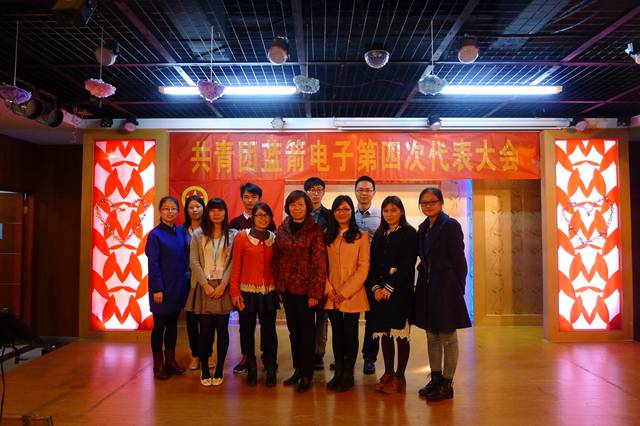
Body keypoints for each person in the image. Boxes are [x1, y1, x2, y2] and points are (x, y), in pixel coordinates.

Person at [414, 187, 471, 401]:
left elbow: (459, 261)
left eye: (433, 202)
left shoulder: (450, 225)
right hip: (427, 287)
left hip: (446, 287)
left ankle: (447, 383)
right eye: (424, 203)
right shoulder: (423, 227)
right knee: (432, 336)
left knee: (447, 336)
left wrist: (458, 288)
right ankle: (435, 378)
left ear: (441, 203)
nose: (428, 206)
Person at [272, 190, 327, 393]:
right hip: (287, 289)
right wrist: (279, 284)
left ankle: (307, 374)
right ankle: (297, 369)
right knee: (294, 331)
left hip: (306, 291)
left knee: (307, 333)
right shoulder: (283, 229)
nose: (297, 208)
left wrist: (315, 293)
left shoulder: (315, 231)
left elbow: (320, 264)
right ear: (288, 207)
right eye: (293, 204)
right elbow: (276, 258)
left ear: (307, 207)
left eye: (301, 204)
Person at [366, 196, 417, 394]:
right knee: (385, 333)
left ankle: (400, 376)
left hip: (400, 292)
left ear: (401, 211)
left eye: (394, 210)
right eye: (386, 210)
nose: (389, 214)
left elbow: (407, 265)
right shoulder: (380, 234)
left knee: (400, 334)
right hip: (379, 294)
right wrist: (375, 288)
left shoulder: (409, 233)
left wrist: (389, 288)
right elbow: (372, 264)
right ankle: (388, 372)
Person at [186, 198, 237, 387]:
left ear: (225, 212)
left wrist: (223, 285)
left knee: (222, 329)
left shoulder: (233, 234)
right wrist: (205, 284)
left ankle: (219, 368)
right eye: (213, 210)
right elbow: (193, 261)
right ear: (208, 213)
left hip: (223, 285)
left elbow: (233, 262)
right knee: (205, 329)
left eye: (220, 210)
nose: (216, 213)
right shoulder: (198, 234)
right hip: (203, 285)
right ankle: (205, 369)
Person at [324, 195, 370, 392]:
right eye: (338, 209)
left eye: (346, 209)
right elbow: (322, 266)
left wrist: (344, 292)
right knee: (337, 333)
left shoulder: (361, 236)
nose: (342, 213)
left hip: (352, 293)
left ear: (352, 211)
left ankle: (348, 373)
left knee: (350, 333)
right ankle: (339, 370)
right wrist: (329, 290)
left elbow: (363, 267)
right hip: (331, 293)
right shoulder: (327, 236)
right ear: (333, 212)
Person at [230, 203, 279, 387]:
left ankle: (270, 365)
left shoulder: (274, 239)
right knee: (246, 330)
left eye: (266, 215)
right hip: (247, 292)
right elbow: (236, 266)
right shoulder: (241, 237)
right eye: (259, 215)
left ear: (271, 217)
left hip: (269, 291)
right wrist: (234, 292)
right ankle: (250, 364)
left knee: (269, 330)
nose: (262, 218)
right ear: (253, 217)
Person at [145, 196, 189, 380]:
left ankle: (171, 361)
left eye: (173, 209)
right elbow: (153, 264)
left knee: (172, 325)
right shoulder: (155, 235)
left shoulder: (180, 232)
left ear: (178, 211)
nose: (170, 212)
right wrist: (157, 289)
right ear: (160, 211)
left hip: (177, 286)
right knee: (159, 326)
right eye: (166, 209)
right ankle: (158, 365)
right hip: (161, 289)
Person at [181, 195, 213, 371]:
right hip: (188, 281)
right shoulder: (181, 231)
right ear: (187, 210)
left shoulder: (211, 229)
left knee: (208, 320)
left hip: (208, 280)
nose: (194, 210)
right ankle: (195, 355)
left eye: (198, 206)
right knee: (192, 321)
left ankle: (207, 354)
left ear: (204, 209)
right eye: (191, 207)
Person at [354, 175, 381, 375]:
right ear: (355, 192)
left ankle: (369, 358)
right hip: (352, 272)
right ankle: (346, 355)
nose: (364, 193)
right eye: (360, 190)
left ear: (374, 192)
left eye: (368, 190)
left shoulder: (382, 215)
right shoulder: (348, 214)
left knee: (373, 317)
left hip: (374, 272)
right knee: (350, 316)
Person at [304, 177, 331, 370]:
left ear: (323, 192)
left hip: (324, 272)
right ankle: (305, 351)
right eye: (312, 190)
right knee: (305, 317)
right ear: (305, 192)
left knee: (322, 317)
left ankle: (319, 353)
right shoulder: (298, 213)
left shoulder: (330, 216)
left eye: (319, 189)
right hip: (303, 275)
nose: (315, 193)